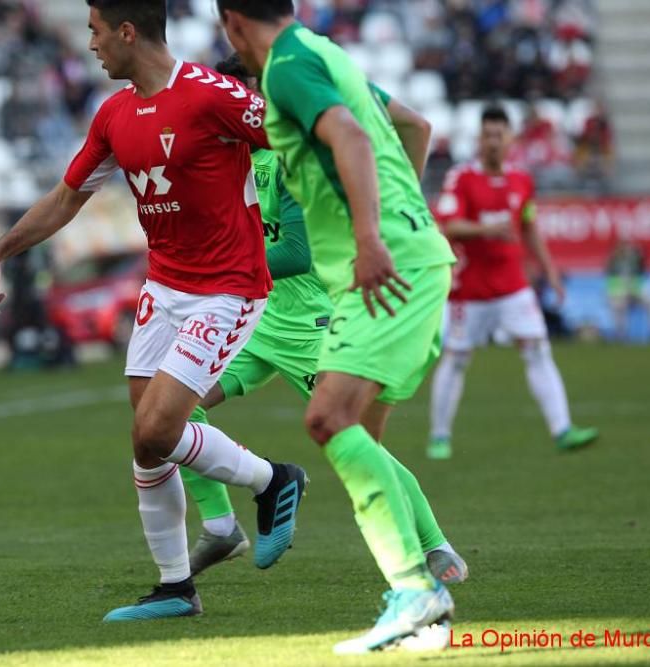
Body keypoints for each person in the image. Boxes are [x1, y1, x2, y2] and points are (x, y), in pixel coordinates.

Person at [0, 0, 307, 622]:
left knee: (157, 429)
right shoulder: (114, 115)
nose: (91, 44)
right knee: (147, 445)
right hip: (166, 288)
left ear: (128, 32)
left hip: (229, 288)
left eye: (96, 32)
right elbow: (66, 198)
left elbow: (296, 137)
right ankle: (176, 586)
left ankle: (271, 480)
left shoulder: (212, 94)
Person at [219, 0, 457, 654]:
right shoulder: (328, 56)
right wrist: (402, 210)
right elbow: (411, 124)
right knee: (360, 435)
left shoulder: (287, 70)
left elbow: (351, 138)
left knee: (329, 419)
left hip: (380, 268)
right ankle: (426, 599)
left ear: (231, 22)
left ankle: (414, 589)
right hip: (409, 257)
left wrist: (371, 234)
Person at [428, 106, 599, 458]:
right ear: (479, 139)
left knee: (537, 349)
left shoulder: (522, 179)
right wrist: (487, 229)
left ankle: (563, 429)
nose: (493, 142)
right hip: (470, 290)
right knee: (457, 359)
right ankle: (439, 436)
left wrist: (550, 270)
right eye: (487, 134)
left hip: (513, 286)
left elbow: (530, 226)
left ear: (510, 138)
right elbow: (447, 224)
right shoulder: (461, 178)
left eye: (499, 134)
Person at [606, 240, 650, 342]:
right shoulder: (613, 260)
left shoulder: (635, 260)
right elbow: (610, 280)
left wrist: (638, 254)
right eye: (624, 246)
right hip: (618, 292)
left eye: (628, 246)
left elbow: (642, 267)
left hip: (635, 291)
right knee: (619, 305)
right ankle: (621, 335)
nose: (627, 249)